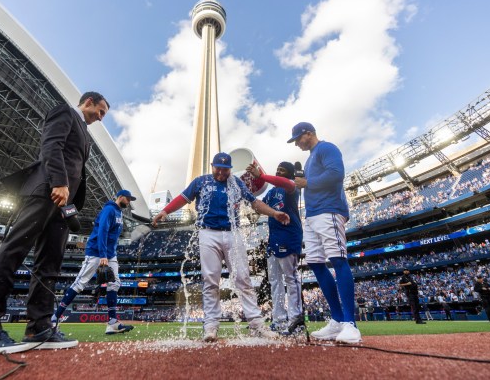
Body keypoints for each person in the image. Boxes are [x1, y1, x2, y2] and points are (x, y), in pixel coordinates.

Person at [0, 92, 109, 355]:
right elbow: (51, 145)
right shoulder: (64, 112)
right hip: (47, 192)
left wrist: (70, 202)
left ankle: (39, 327)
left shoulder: (85, 134)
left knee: (50, 265)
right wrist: (59, 182)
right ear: (88, 102)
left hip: (63, 205)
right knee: (13, 251)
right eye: (100, 111)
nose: (101, 118)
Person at [152, 152, 290, 342]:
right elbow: (183, 198)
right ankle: (210, 326)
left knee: (243, 278)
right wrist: (165, 211)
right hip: (207, 233)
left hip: (233, 232)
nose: (221, 173)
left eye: (225, 169)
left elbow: (255, 203)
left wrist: (274, 213)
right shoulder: (201, 181)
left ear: (230, 169)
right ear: (212, 166)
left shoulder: (236, 183)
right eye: (218, 168)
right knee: (210, 280)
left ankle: (256, 324)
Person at [288, 122, 360, 343]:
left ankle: (350, 324)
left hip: (328, 210)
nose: (297, 144)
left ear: (309, 133)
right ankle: (338, 320)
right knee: (316, 264)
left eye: (299, 139)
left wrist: (307, 182)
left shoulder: (327, 148)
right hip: (312, 215)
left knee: (338, 260)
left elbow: (336, 175)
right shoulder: (310, 158)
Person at [51, 190, 137, 334]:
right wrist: (103, 254)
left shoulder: (119, 213)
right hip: (97, 252)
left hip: (111, 254)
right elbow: (103, 230)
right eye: (127, 199)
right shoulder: (109, 209)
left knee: (114, 284)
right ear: (120, 197)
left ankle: (112, 323)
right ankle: (54, 319)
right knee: (80, 283)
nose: (129, 201)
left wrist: (109, 254)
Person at [246, 161, 304, 335]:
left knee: (291, 279)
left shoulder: (291, 188)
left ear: (290, 174)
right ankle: (278, 319)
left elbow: (285, 183)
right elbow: (259, 207)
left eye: (283, 170)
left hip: (289, 236)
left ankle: (296, 319)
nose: (279, 171)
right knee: (275, 282)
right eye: (277, 168)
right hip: (273, 240)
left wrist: (261, 176)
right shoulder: (271, 192)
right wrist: (246, 192)